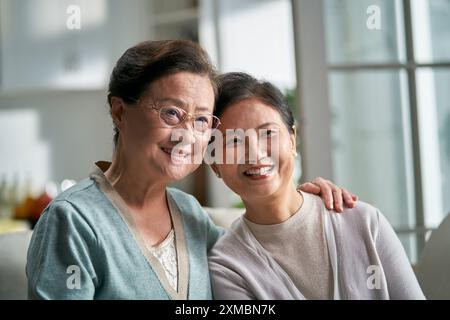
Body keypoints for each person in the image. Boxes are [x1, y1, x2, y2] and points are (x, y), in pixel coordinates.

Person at [26, 40, 355, 299]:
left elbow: (262, 259)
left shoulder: (191, 215)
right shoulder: (72, 219)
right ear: (119, 113)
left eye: (201, 120)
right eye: (171, 113)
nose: (187, 135)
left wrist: (305, 204)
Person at [208, 72, 425, 300]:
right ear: (215, 165)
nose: (255, 153)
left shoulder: (365, 223)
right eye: (233, 140)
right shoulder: (227, 266)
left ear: (292, 140)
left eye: (268, 133)